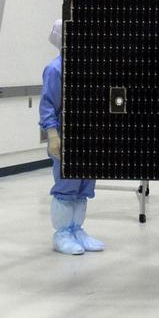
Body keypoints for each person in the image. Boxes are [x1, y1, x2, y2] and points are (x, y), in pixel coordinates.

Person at [40, 19, 103, 255]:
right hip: (65, 137)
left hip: (87, 136)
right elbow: (48, 105)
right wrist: (53, 135)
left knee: (84, 184)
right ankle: (63, 233)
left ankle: (77, 229)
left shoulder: (87, 67)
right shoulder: (55, 69)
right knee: (67, 185)